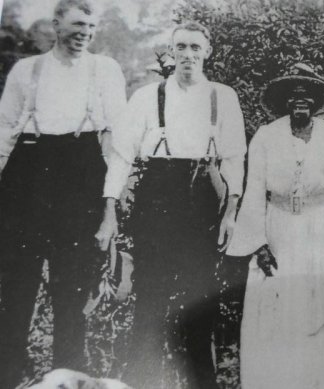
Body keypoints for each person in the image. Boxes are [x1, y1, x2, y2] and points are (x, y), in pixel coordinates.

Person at [95, 21, 246, 388]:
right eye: (181, 47)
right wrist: (110, 209)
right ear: (172, 51)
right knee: (150, 295)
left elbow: (233, 158)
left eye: (196, 48)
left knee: (199, 300)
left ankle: (200, 381)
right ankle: (140, 380)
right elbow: (121, 156)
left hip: (204, 202)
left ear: (207, 52)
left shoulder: (222, 96)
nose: (188, 55)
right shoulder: (148, 96)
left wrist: (230, 213)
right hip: (159, 198)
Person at [0, 0, 127, 386]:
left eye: (90, 26)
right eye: (76, 24)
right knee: (14, 287)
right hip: (27, 177)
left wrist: (110, 207)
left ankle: (68, 380)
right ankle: (8, 376)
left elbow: (119, 143)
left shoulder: (104, 70)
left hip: (81, 177)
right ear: (56, 25)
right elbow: (4, 134)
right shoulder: (27, 70)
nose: (84, 33)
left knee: (72, 290)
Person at [227, 64, 324, 389]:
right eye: (293, 96)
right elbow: (255, 190)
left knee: (321, 304)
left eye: (307, 96)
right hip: (278, 232)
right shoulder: (265, 136)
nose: (300, 101)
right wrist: (258, 243)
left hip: (323, 231)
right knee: (279, 306)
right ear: (284, 101)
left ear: (318, 102)